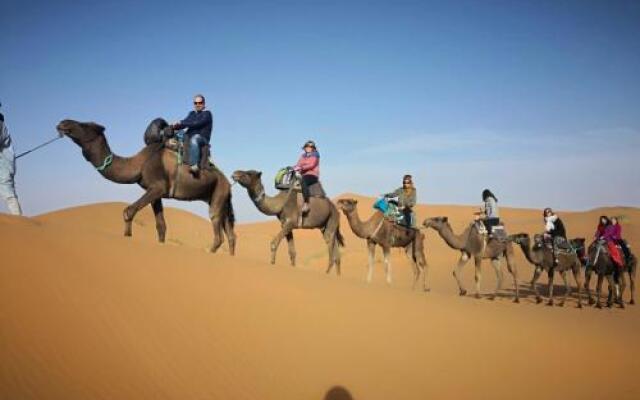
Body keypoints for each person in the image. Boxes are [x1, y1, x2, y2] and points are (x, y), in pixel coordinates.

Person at [172, 94, 213, 174]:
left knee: (195, 138)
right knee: (175, 133)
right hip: (188, 136)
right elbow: (185, 122)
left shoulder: (207, 114)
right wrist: (175, 126)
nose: (198, 105)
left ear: (204, 103)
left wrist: (182, 122)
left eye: (200, 103)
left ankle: (194, 165)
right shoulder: (191, 114)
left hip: (201, 138)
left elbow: (197, 123)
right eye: (195, 103)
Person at [0, 102, 22, 216]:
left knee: (9, 195)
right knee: (9, 193)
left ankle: (20, 225)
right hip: (5, 164)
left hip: (4, 166)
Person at [293, 140, 320, 214]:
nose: (308, 148)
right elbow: (298, 164)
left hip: (312, 174)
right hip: (303, 174)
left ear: (313, 148)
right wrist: (293, 168)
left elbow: (312, 165)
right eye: (307, 147)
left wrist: (301, 168)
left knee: (303, 180)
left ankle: (306, 203)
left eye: (310, 147)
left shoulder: (315, 155)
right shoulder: (303, 156)